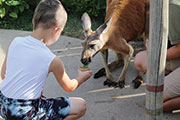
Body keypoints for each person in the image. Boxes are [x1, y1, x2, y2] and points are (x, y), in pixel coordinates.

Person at [0, 0, 92, 119]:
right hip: (25, 113)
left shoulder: (15, 41)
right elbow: (69, 87)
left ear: (34, 21)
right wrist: (81, 78)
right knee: (80, 105)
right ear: (56, 30)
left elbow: (3, 75)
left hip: (3, 105)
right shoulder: (52, 60)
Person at [134, 0, 180, 112]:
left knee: (155, 102)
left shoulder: (172, 6)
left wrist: (155, 54)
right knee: (140, 59)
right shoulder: (158, 3)